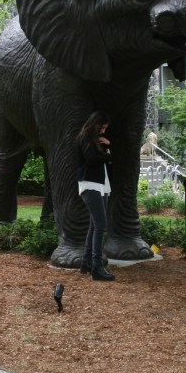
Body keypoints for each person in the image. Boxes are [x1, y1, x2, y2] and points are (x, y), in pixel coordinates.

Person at [76, 111, 115, 281]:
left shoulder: (94, 140)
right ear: (96, 124)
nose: (103, 131)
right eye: (102, 127)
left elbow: (100, 159)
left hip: (100, 184)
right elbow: (91, 159)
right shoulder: (85, 138)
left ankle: (86, 263)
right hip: (90, 184)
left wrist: (107, 146)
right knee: (100, 225)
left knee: (95, 225)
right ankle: (97, 267)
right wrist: (107, 154)